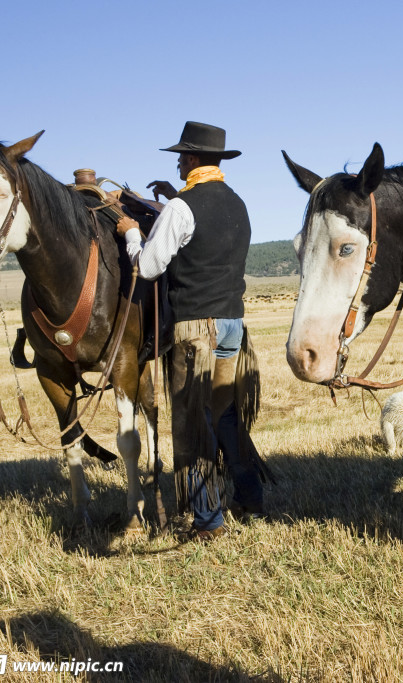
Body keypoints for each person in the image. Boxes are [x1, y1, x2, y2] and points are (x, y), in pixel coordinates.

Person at [117, 121, 264, 542]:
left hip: (196, 328)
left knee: (192, 422)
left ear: (195, 159)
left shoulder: (184, 207)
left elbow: (147, 266)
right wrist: (172, 197)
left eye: (182, 156)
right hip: (233, 323)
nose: (179, 161)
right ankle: (250, 496)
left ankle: (207, 521)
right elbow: (202, 234)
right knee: (226, 415)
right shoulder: (236, 203)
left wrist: (130, 234)